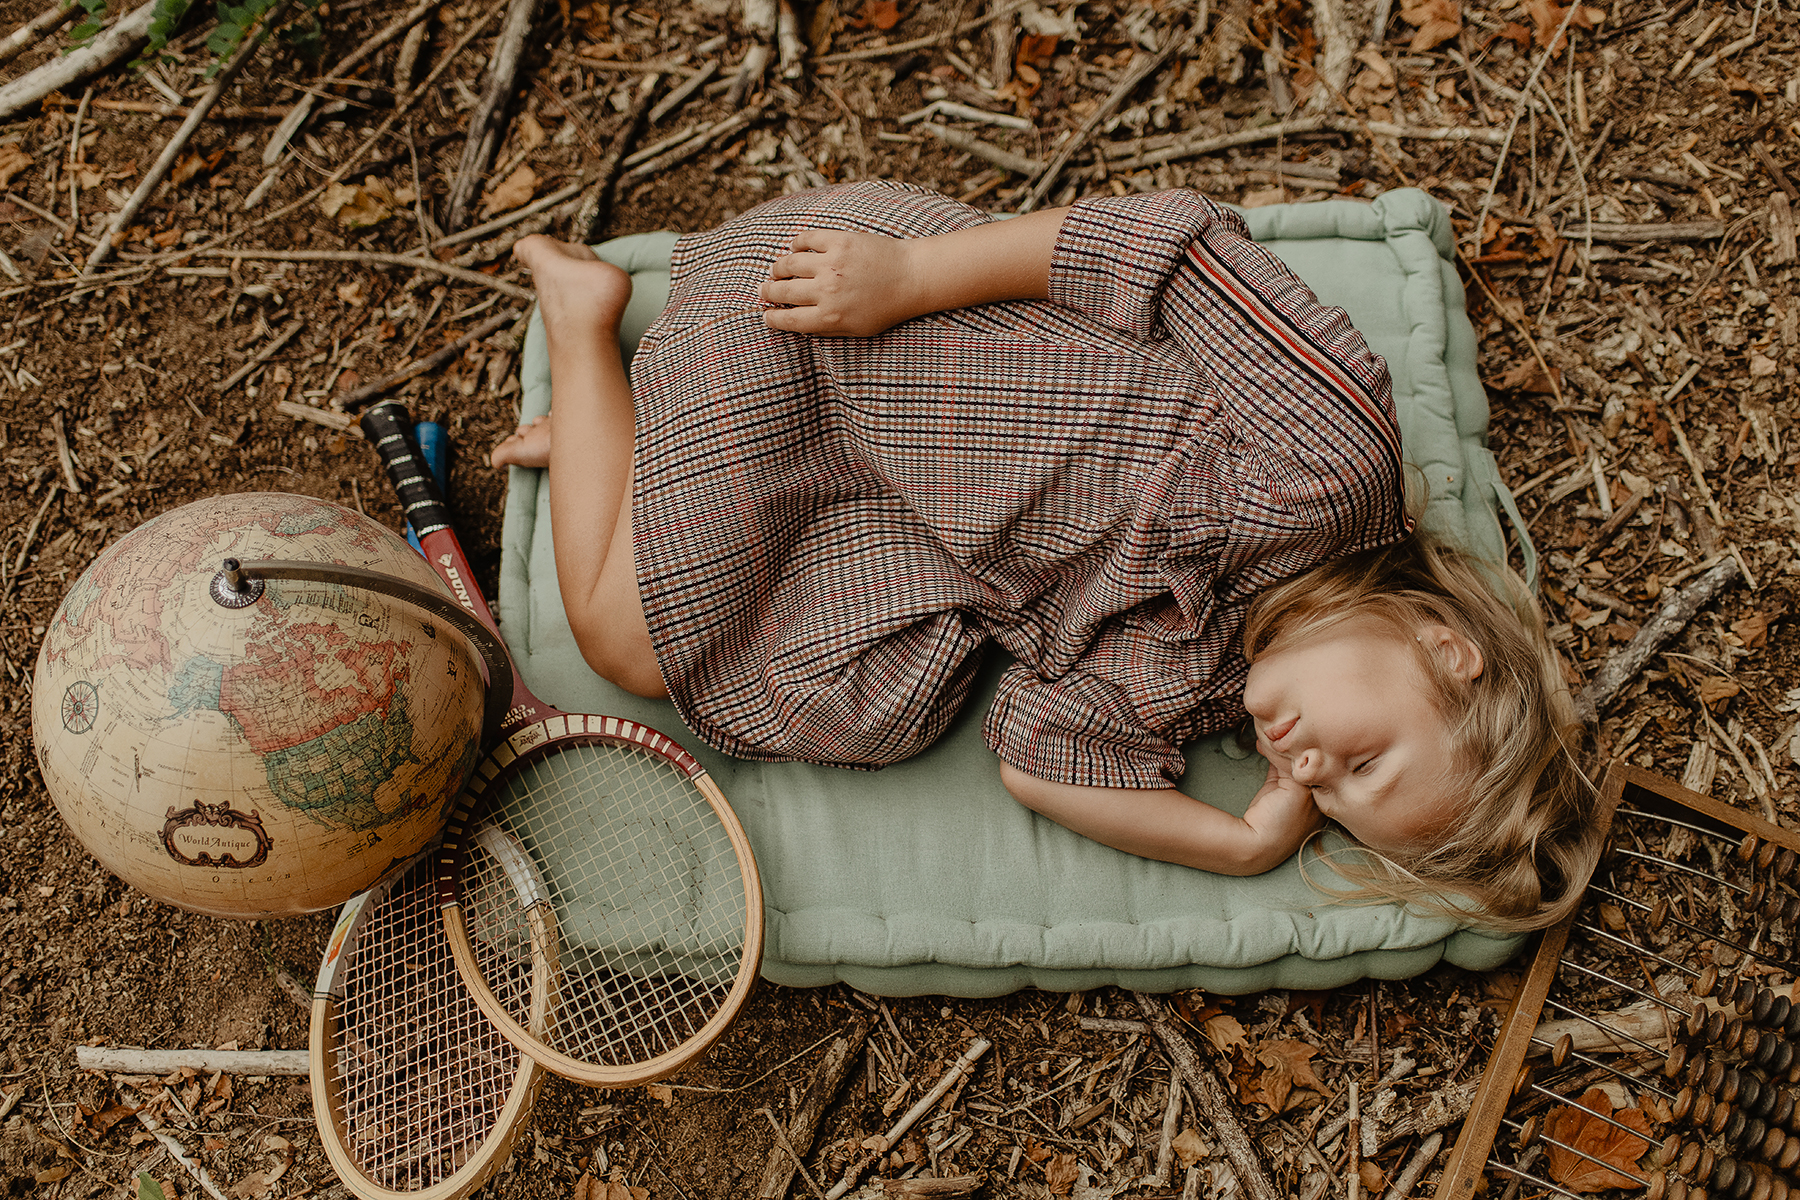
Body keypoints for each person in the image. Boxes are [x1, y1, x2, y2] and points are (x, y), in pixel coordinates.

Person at [489, 180, 1600, 933]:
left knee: (857, 704)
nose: (1309, 772)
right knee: (623, 635)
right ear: (1446, 648)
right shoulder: (1330, 466)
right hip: (857, 326)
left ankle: (626, 443)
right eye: (1365, 763)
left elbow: (1038, 751)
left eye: (1331, 802)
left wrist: (1242, 845)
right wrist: (912, 278)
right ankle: (590, 327)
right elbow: (1163, 248)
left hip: (886, 507)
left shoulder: (1193, 681)